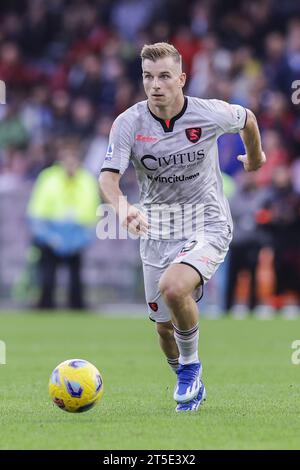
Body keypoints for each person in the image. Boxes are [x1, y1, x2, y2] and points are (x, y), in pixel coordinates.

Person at [99, 43, 265, 412]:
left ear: (181, 79)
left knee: (174, 288)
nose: (155, 85)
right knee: (163, 329)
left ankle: (191, 367)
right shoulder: (128, 123)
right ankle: (187, 377)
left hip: (207, 222)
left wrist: (255, 158)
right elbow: (108, 178)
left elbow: (248, 119)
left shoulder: (207, 113)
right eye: (147, 77)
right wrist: (123, 208)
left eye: (164, 76)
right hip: (157, 231)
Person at [28, 139, 99, 309]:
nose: (70, 163)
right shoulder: (48, 177)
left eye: (73, 158)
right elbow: (36, 212)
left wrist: (80, 238)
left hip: (76, 233)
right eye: (67, 158)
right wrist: (49, 236)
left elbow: (92, 213)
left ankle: (77, 305)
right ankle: (45, 304)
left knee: (76, 276)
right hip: (51, 232)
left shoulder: (87, 180)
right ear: (61, 159)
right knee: (47, 274)